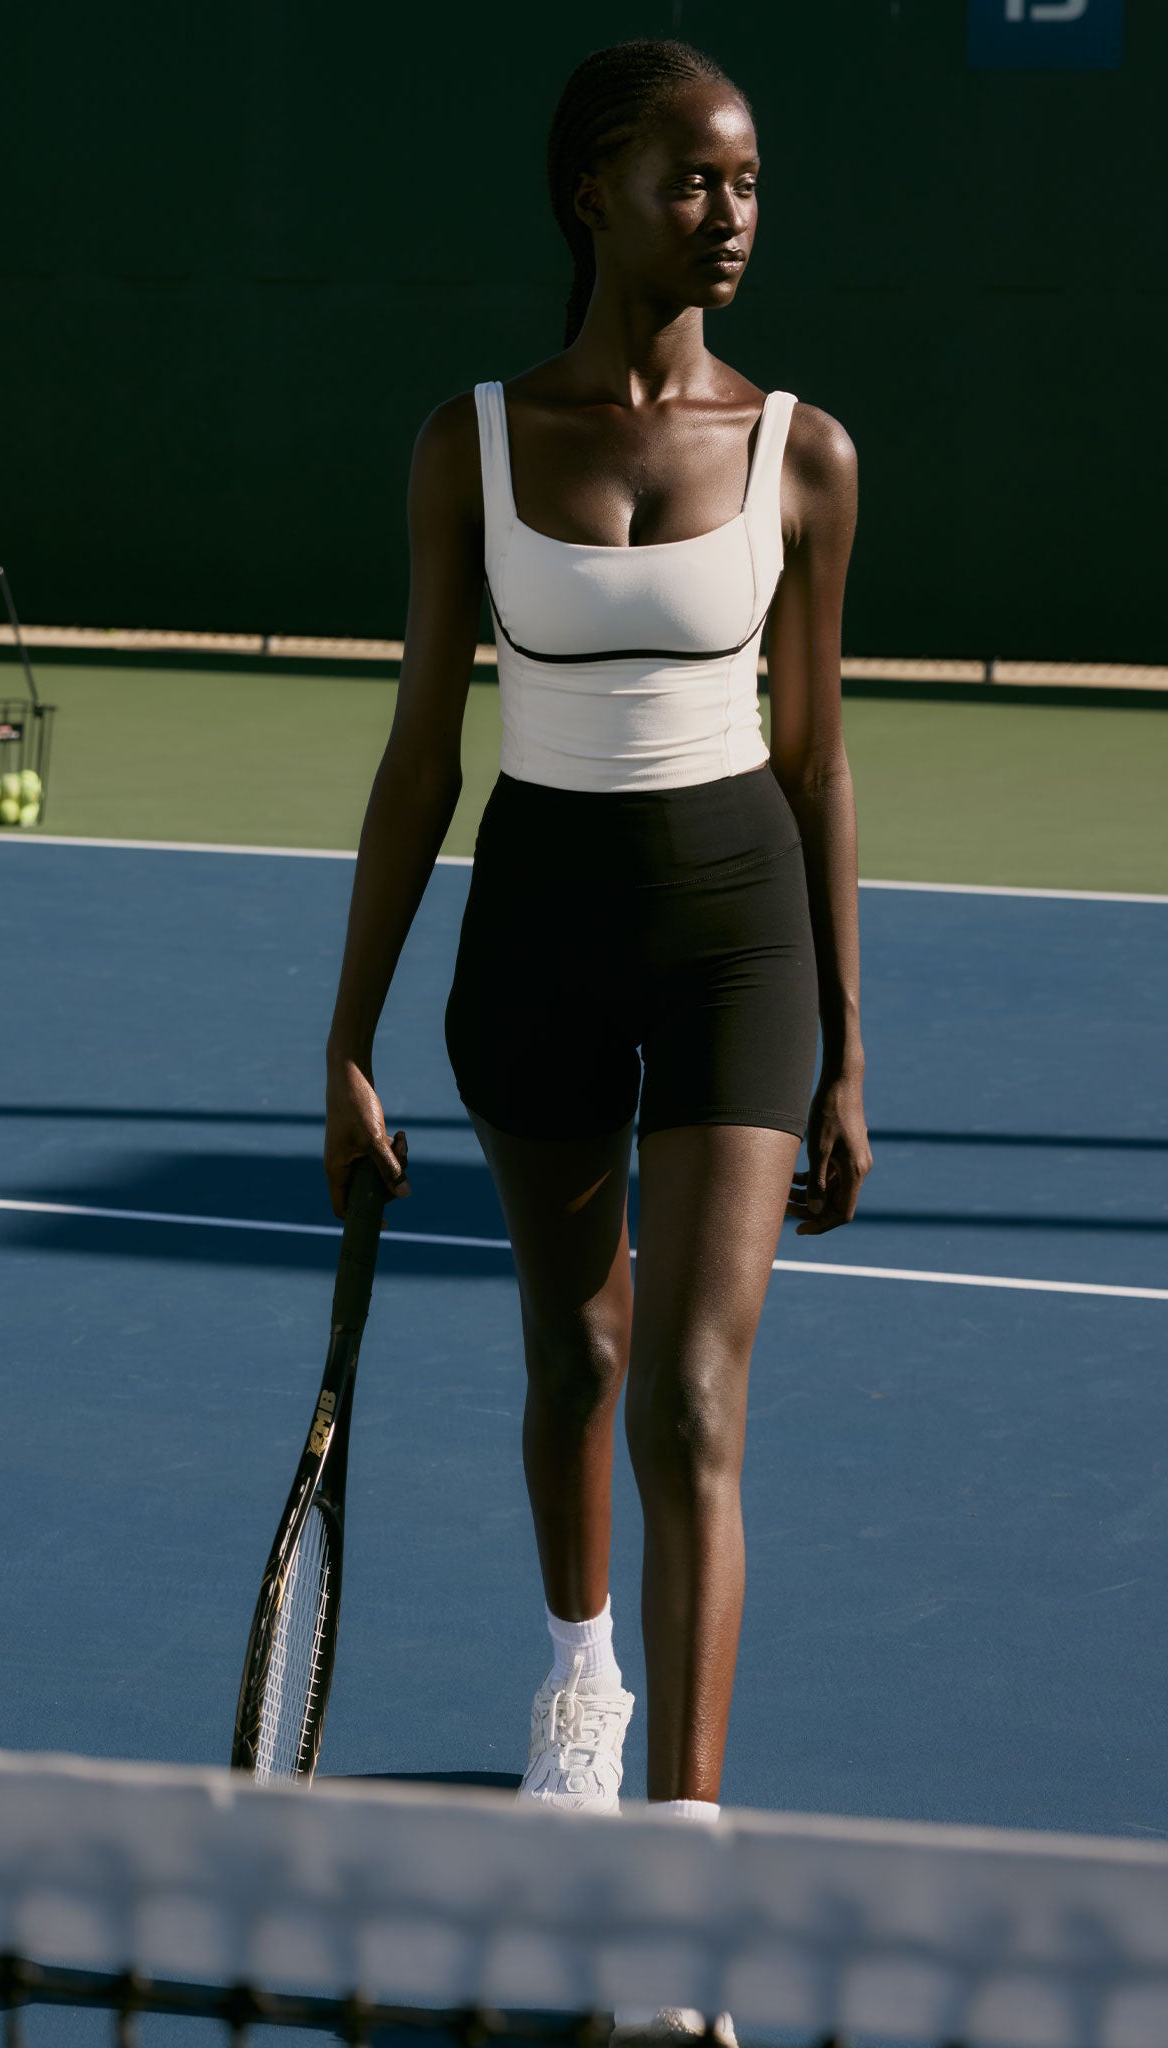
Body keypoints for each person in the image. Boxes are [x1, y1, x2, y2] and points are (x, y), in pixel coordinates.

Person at [323, 37, 872, 2043]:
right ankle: (579, 1687)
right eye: (692, 181)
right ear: (591, 192)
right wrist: (345, 1038)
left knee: (695, 1396)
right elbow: (416, 758)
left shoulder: (802, 450)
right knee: (577, 1347)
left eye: (745, 182)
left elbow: (811, 759)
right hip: (532, 931)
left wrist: (845, 1043)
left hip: (734, 938)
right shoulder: (468, 443)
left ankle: (677, 1870)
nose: (729, 212)